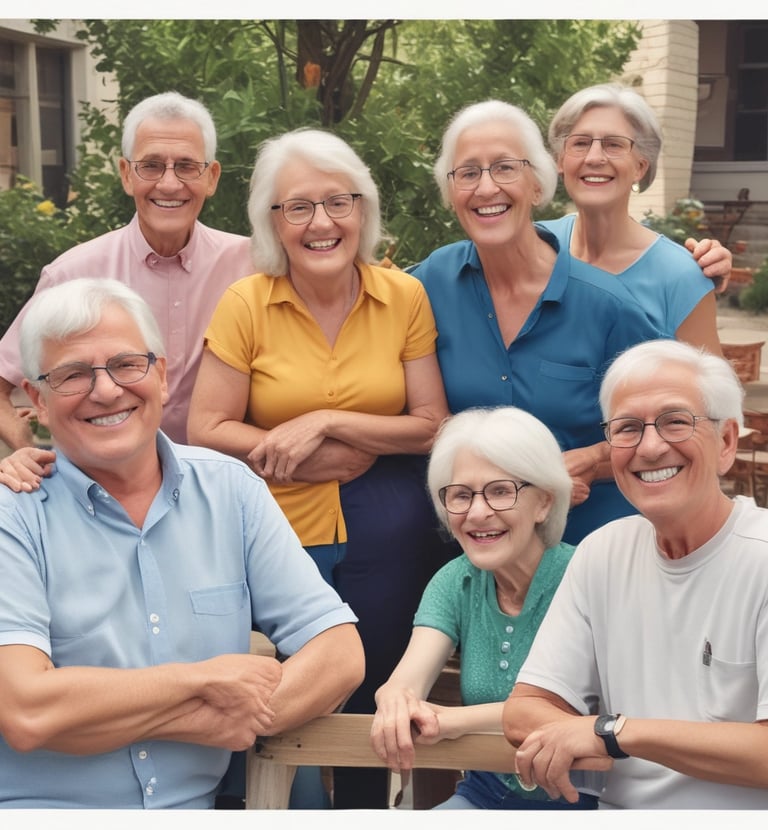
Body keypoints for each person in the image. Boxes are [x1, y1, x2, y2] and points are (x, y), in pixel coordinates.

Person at [0, 277, 364, 809]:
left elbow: (338, 653)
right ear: (38, 399)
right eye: (74, 374)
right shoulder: (15, 514)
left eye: (127, 364)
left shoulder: (231, 489)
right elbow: (28, 711)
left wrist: (205, 716)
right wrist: (205, 680)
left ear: (162, 375)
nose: (106, 391)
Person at [186, 127, 454, 809]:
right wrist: (300, 453)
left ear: (362, 210)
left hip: (387, 535)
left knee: (373, 702)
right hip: (273, 533)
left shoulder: (403, 297)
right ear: (272, 222)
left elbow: (431, 425)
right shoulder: (247, 301)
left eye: (338, 202)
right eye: (297, 207)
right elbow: (205, 429)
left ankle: (366, 812)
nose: (321, 222)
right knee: (284, 702)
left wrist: (326, 422)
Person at [504, 338, 768, 809]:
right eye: (627, 428)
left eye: (675, 422)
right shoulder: (603, 553)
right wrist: (608, 733)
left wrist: (613, 731)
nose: (649, 447)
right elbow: (524, 711)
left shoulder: (760, 558)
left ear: (726, 441)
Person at [407, 99, 668, 546]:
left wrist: (587, 458)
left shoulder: (607, 306)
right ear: (451, 194)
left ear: (537, 184)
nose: (486, 188)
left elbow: (665, 425)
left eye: (505, 168)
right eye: (468, 173)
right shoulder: (428, 284)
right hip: (473, 553)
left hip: (589, 545)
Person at [0, 90, 253, 460]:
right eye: (150, 165)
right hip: (101, 490)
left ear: (211, 177)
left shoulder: (252, 265)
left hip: (224, 490)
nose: (169, 184)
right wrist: (27, 450)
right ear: (126, 175)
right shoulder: (73, 273)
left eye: (186, 166)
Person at [370, 405, 600, 809]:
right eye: (461, 495)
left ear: (544, 502)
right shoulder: (454, 581)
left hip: (588, 801)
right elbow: (408, 681)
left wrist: (451, 722)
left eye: (500, 491)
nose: (477, 513)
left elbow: (569, 707)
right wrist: (394, 699)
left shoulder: (584, 575)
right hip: (486, 796)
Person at [543, 82, 724, 354]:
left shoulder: (681, 276)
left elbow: (714, 393)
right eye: (580, 143)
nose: (594, 158)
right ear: (560, 160)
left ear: (640, 166)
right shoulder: (537, 246)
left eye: (613, 144)